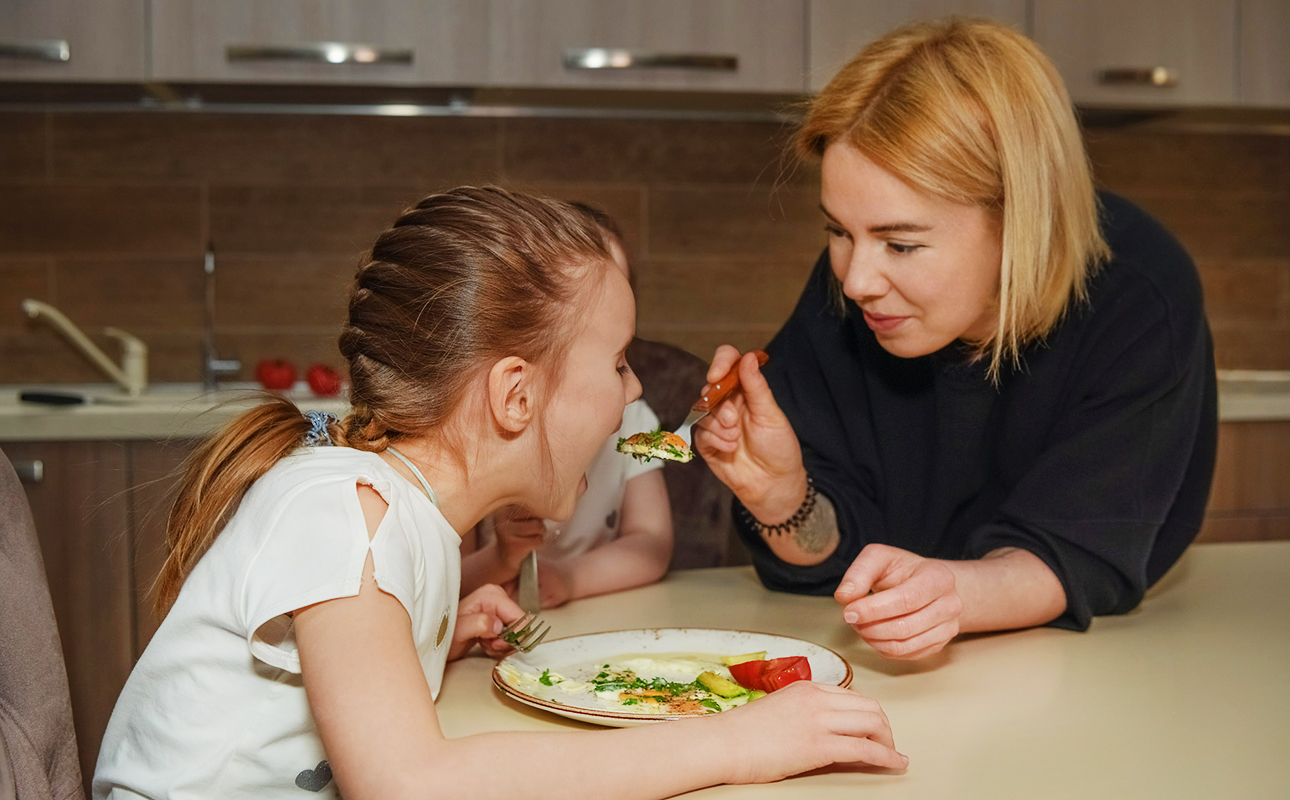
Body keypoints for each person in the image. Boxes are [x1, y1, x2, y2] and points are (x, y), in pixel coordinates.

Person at [92, 186, 906, 800]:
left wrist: (420, 638)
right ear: (515, 396)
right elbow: (413, 784)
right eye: (617, 363)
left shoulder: (403, 515)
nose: (631, 397)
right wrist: (736, 745)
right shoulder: (346, 511)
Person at [695, 18, 1217, 662]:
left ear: (1021, 218)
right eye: (838, 231)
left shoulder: (1140, 293)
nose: (856, 281)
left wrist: (955, 592)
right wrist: (783, 499)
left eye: (902, 243)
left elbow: (1082, 553)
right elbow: (828, 552)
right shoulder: (855, 290)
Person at [461, 204, 673, 608]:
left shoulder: (636, 422)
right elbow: (442, 585)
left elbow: (652, 542)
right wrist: (502, 558)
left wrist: (571, 578)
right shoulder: (483, 436)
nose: (632, 386)